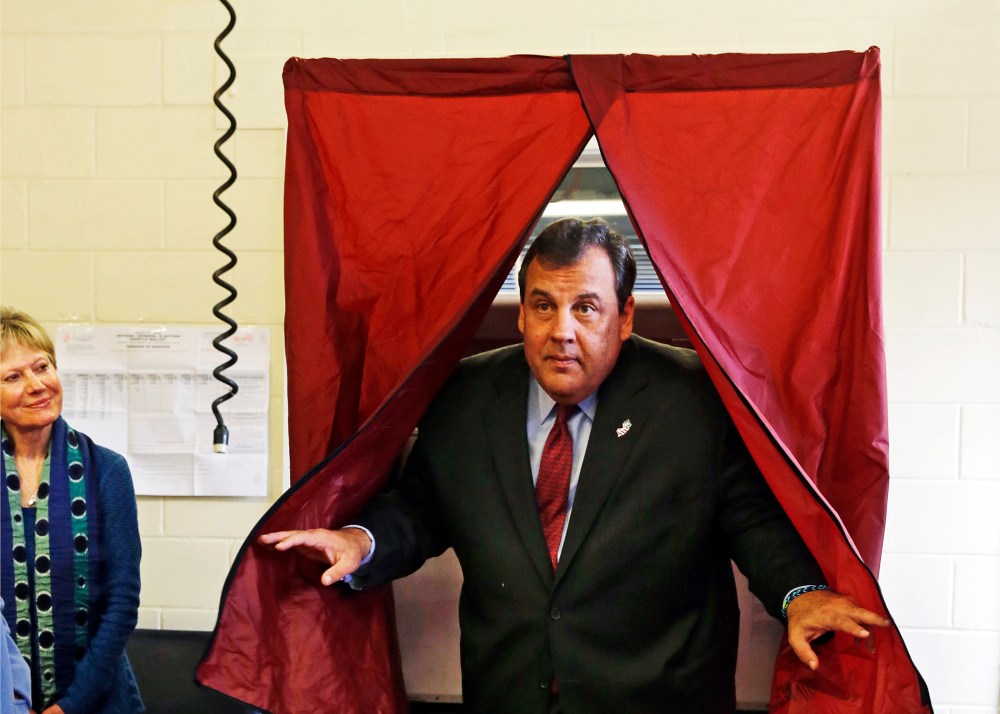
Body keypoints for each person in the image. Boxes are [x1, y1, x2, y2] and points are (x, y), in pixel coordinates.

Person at [260, 218, 890, 713]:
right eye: (542, 306)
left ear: (624, 318)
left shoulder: (693, 400)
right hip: (511, 695)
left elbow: (752, 520)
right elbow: (423, 507)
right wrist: (360, 540)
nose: (561, 330)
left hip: (655, 700)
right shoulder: (467, 395)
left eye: (585, 308)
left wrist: (800, 594)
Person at [1, 307, 143, 714]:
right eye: (13, 377)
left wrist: (69, 708)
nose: (36, 385)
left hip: (100, 701)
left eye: (42, 367)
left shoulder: (107, 470)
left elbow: (122, 603)